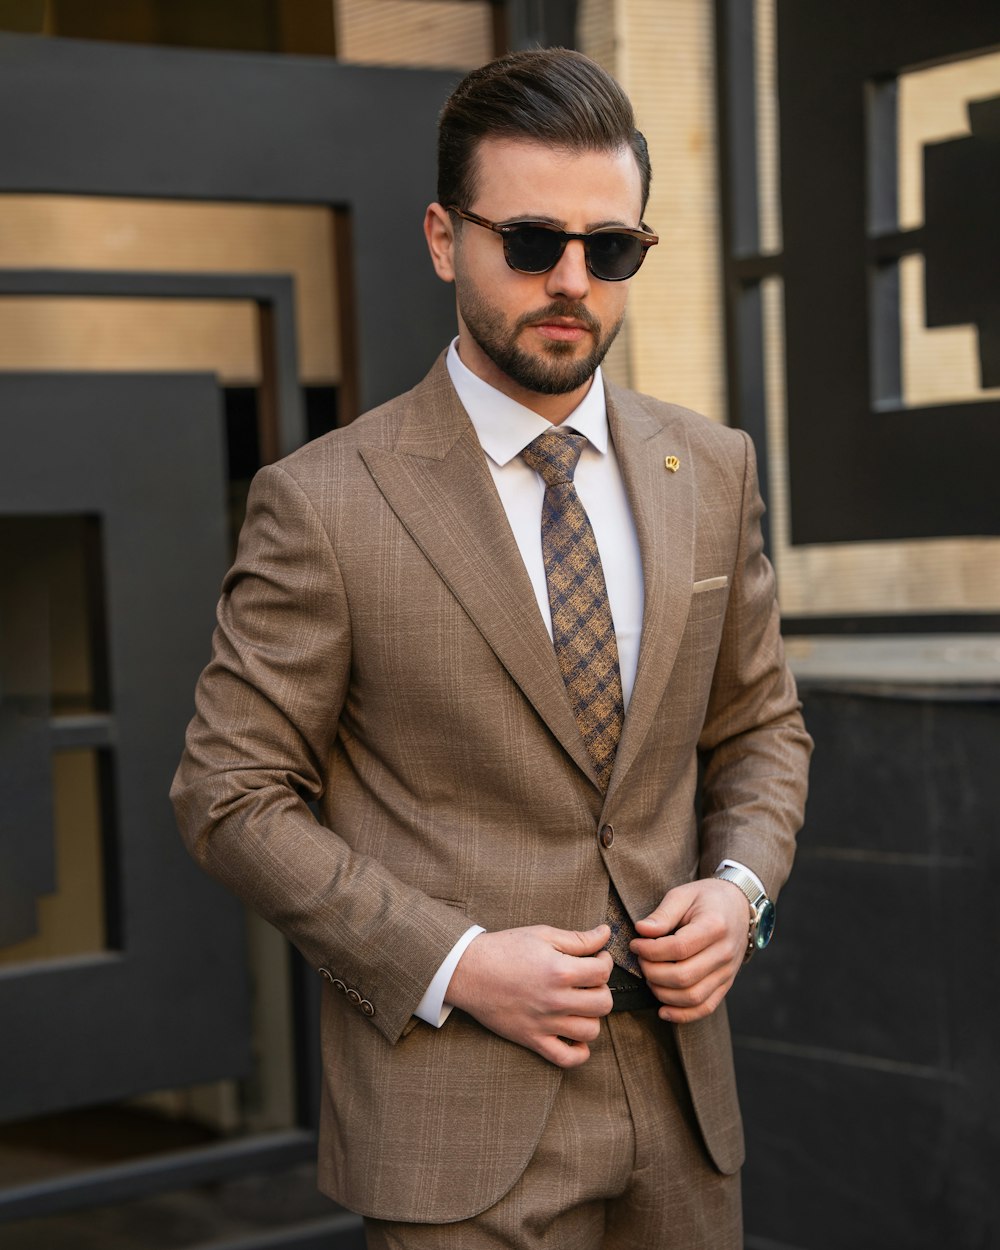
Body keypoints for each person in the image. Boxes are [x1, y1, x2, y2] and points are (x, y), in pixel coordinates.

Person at [171, 46, 811, 1250]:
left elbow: (760, 727)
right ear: (442, 237)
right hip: (455, 1128)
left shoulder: (711, 466)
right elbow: (228, 792)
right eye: (530, 241)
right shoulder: (323, 500)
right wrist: (453, 960)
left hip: (685, 1115)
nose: (573, 280)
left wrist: (740, 892)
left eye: (609, 248)